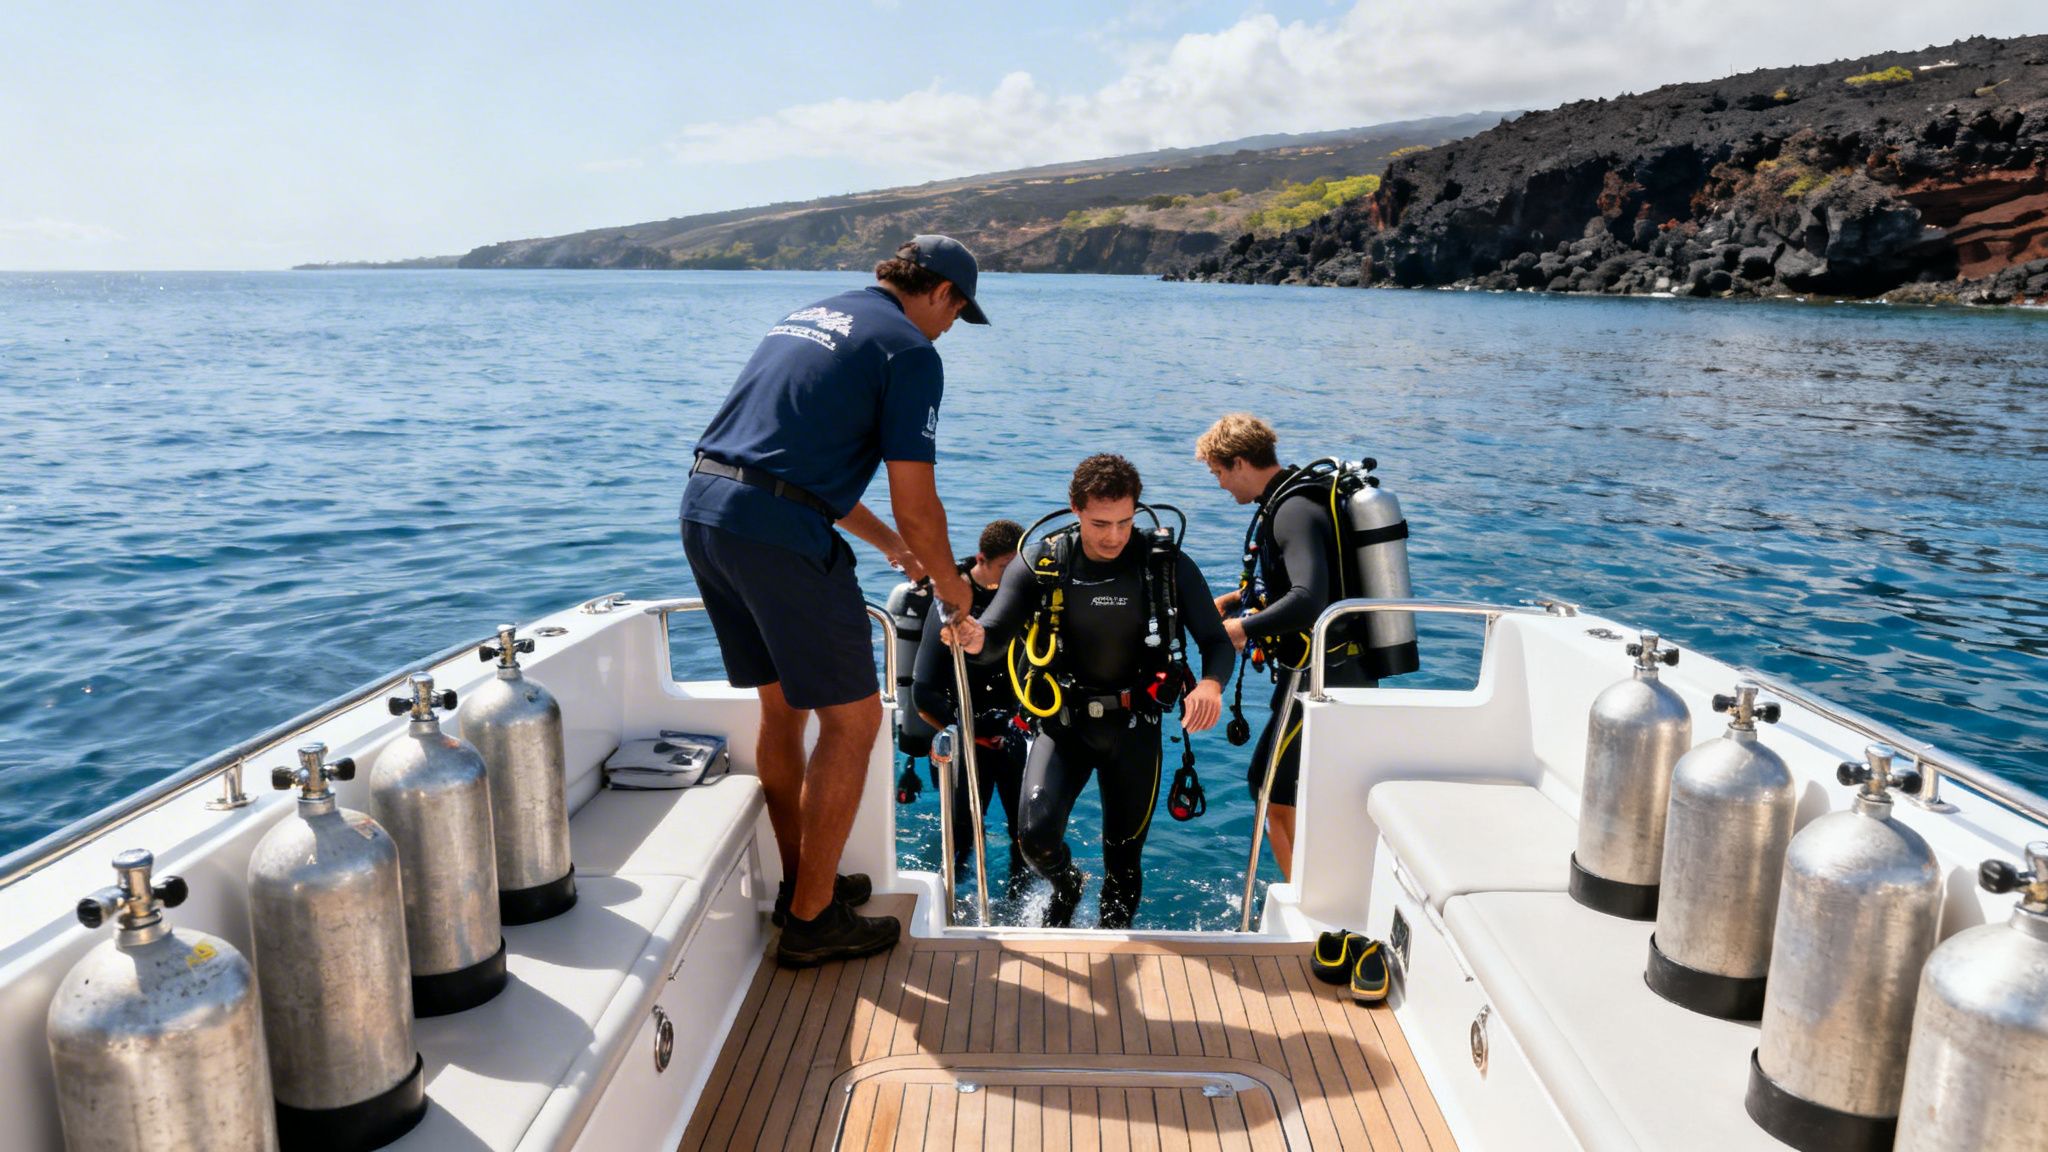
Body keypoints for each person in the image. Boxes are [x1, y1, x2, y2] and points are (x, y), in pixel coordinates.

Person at [680, 235, 989, 968]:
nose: (950, 329)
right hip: (779, 533)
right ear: (941, 293)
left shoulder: (811, 315)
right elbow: (919, 504)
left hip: (708, 510)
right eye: (957, 313)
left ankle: (800, 887)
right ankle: (814, 923)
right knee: (853, 724)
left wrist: (886, 546)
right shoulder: (910, 351)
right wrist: (955, 589)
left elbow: (794, 460)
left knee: (781, 709)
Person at [951, 454, 1234, 929]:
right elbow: (995, 632)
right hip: (1064, 725)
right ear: (1076, 508)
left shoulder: (1164, 565)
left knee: (1123, 862)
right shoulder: (1042, 562)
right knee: (1034, 840)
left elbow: (1215, 642)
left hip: (1134, 729)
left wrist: (1210, 684)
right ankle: (1068, 884)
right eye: (1101, 523)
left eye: (1125, 522)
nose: (1114, 536)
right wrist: (975, 639)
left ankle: (1112, 947)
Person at [1198, 413, 1374, 882]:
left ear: (1239, 462)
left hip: (1322, 677)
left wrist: (1242, 629)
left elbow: (1309, 598)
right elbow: (1306, 582)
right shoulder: (1290, 499)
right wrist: (1238, 599)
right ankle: (1323, 890)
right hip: (1328, 672)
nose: (1218, 485)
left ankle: (1309, 909)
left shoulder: (1292, 509)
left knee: (1270, 790)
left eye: (1217, 472)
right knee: (1293, 790)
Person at [909, 518, 1031, 901]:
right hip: (964, 739)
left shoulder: (1023, 599)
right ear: (982, 558)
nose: (1013, 583)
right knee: (960, 837)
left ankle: (1022, 914)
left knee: (1024, 837)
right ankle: (950, 911)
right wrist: (971, 732)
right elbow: (924, 692)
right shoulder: (951, 601)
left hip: (1013, 733)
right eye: (1004, 572)